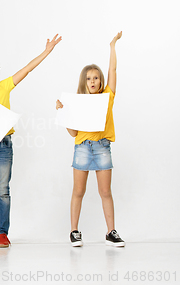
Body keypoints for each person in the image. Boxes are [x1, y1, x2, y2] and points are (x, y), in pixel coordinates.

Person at [0, 35, 62, 248]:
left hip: (3, 146)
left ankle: (2, 234)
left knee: (3, 191)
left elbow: (27, 69)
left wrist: (46, 51)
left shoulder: (4, 86)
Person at [56, 32, 124, 247]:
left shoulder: (107, 97)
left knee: (105, 192)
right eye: (89, 78)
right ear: (83, 82)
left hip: (102, 147)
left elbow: (113, 70)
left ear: (100, 81)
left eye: (96, 77)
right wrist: (63, 113)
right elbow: (74, 133)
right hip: (83, 147)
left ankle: (111, 232)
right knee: (78, 191)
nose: (93, 81)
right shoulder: (77, 102)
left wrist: (112, 46)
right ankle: (74, 231)